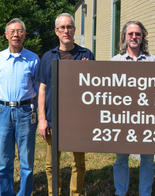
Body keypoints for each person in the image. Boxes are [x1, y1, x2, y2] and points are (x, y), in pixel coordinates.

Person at [36, 13, 95, 196]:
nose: (66, 31)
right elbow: (42, 90)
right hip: (54, 118)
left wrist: (89, 72)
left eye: (69, 27)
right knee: (51, 164)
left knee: (79, 163)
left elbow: (95, 87)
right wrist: (42, 119)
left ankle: (75, 193)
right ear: (56, 31)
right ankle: (55, 193)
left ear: (74, 30)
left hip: (78, 120)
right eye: (62, 27)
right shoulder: (47, 57)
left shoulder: (86, 55)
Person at [111, 21, 155, 196]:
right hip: (122, 117)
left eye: (137, 34)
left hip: (147, 117)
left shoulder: (153, 60)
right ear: (124, 36)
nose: (134, 37)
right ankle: (120, 192)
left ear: (142, 36)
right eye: (130, 34)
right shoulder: (115, 61)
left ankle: (145, 193)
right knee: (121, 158)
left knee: (148, 158)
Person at [0, 18, 39, 196]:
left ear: (24, 35)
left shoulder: (33, 59)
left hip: (25, 112)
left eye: (19, 31)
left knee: (26, 162)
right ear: (6, 35)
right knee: (3, 162)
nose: (16, 35)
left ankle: (24, 194)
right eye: (12, 31)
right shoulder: (0, 58)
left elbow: (39, 89)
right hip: (3, 112)